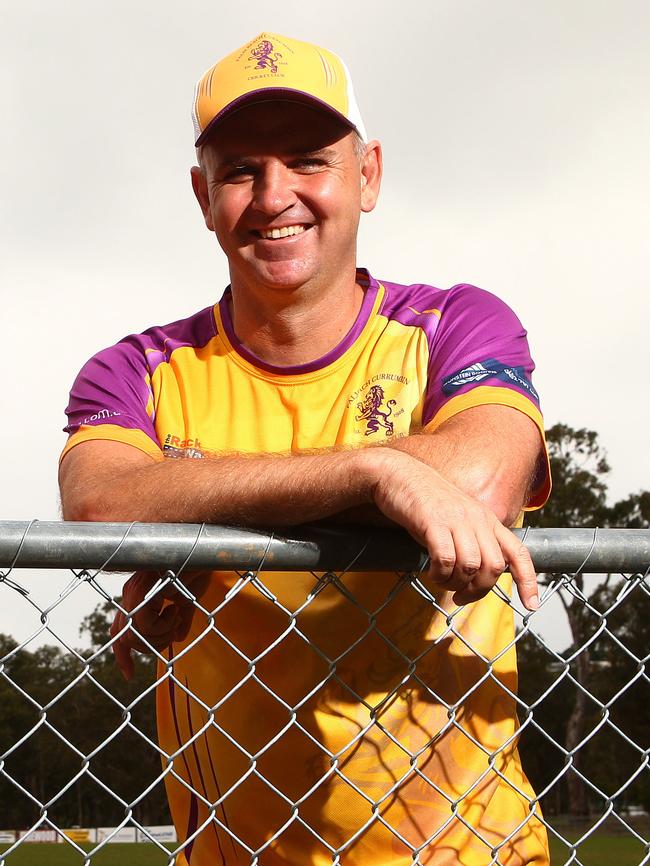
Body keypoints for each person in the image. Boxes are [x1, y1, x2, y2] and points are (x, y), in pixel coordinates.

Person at [59, 32, 552, 866]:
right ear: (201, 194)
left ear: (369, 176)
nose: (274, 194)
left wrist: (196, 509)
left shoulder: (455, 325)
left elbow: (480, 477)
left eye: (309, 160)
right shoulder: (136, 370)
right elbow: (100, 502)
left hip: (468, 852)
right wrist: (379, 472)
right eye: (241, 169)